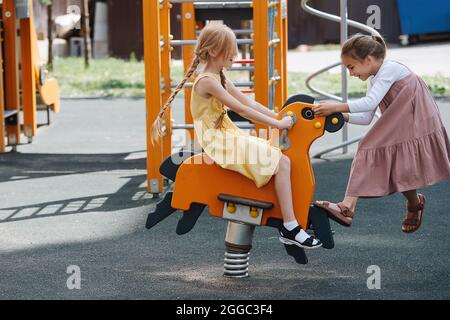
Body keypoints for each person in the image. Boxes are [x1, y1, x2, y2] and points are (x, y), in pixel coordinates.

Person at [151, 23, 322, 248]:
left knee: (279, 156)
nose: (235, 54)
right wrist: (278, 123)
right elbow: (241, 110)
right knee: (281, 162)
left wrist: (278, 116)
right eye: (230, 49)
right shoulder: (207, 81)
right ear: (213, 51)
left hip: (226, 134)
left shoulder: (218, 75)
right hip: (218, 141)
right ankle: (289, 226)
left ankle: (288, 218)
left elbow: (248, 101)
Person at [312, 33, 450, 233]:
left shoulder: (389, 69)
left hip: (416, 116)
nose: (350, 73)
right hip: (402, 118)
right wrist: (342, 117)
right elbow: (367, 115)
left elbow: (368, 103)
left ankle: (347, 207)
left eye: (351, 67)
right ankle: (415, 202)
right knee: (400, 162)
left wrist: (336, 107)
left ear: (368, 59)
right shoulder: (375, 79)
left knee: (366, 147)